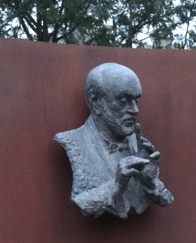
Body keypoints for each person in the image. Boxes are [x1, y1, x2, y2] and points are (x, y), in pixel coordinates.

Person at [55, 63, 174, 218]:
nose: (135, 110)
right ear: (95, 101)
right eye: (123, 101)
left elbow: (166, 199)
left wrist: (150, 180)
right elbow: (85, 205)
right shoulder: (73, 142)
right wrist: (116, 186)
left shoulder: (139, 143)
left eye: (136, 101)